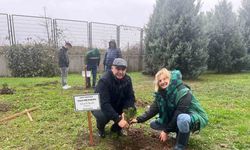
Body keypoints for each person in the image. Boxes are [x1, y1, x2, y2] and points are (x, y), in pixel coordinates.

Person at [131, 68, 208, 150]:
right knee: (153, 124)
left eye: (165, 79)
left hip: (192, 116)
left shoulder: (183, 92)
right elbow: (152, 110)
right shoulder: (162, 94)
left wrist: (166, 131)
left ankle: (181, 145)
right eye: (160, 81)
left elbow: (179, 112)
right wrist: (138, 119)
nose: (162, 82)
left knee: (182, 118)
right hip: (176, 117)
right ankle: (177, 130)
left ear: (170, 78)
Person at [92, 58, 136, 138]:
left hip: (117, 104)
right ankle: (101, 128)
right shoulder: (104, 80)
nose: (120, 72)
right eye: (118, 69)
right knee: (102, 116)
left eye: (123, 69)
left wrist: (125, 112)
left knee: (131, 111)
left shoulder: (128, 79)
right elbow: (104, 103)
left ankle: (116, 128)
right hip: (101, 106)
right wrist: (118, 119)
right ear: (112, 68)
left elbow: (130, 97)